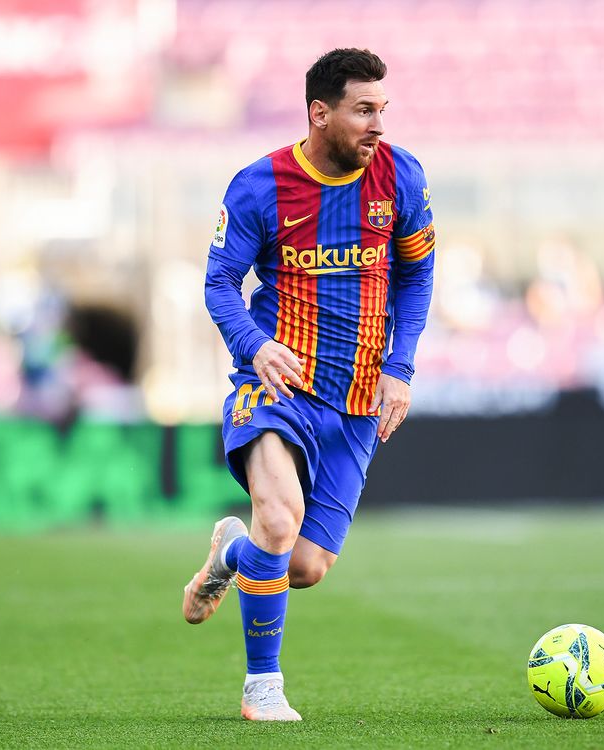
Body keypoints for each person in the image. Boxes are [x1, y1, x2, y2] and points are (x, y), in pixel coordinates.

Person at [187, 48, 436, 721]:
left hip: (356, 400)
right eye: (364, 110)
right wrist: (256, 345)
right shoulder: (259, 186)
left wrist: (399, 368)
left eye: (383, 108)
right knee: (279, 514)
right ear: (319, 114)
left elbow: (416, 276)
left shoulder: (400, 176)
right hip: (276, 384)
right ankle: (262, 687)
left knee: (303, 566)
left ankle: (230, 556)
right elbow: (219, 284)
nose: (378, 124)